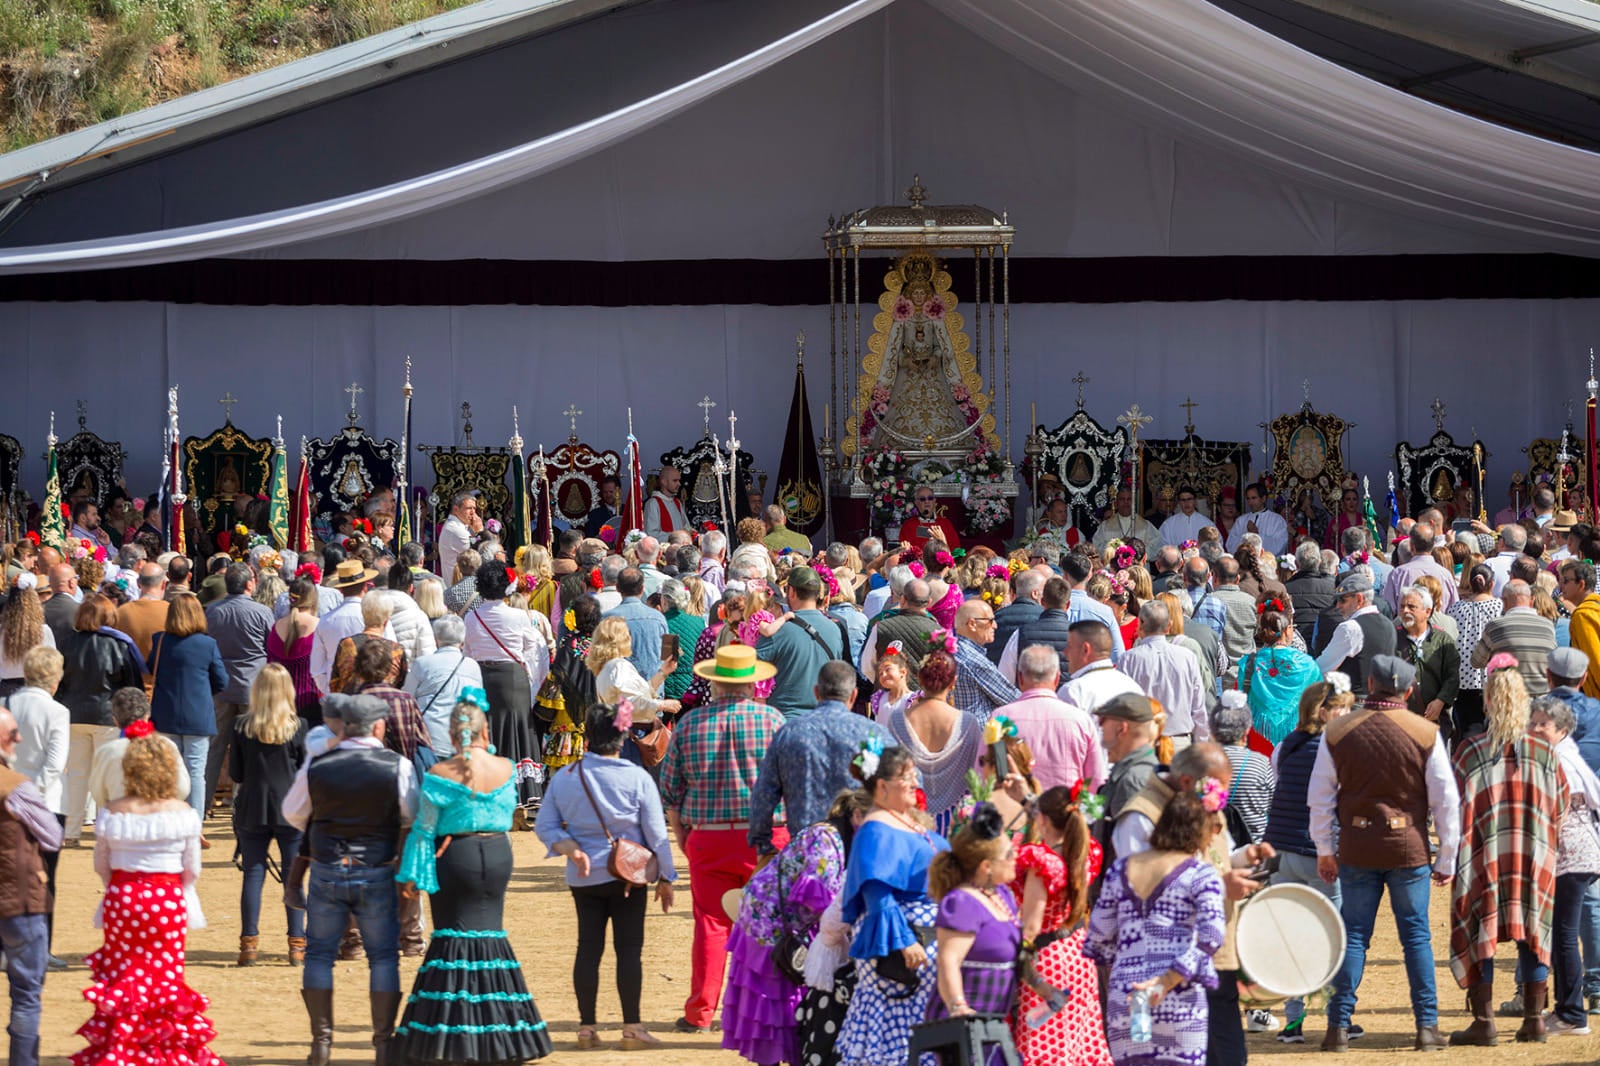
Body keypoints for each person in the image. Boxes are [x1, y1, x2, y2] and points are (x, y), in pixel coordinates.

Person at [393, 692, 554, 1063]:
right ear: (485, 733)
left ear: (452, 736)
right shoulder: (506, 768)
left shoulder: (439, 774)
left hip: (456, 856)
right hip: (497, 856)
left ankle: (449, 1036)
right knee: (491, 934)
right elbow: (507, 809)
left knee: (451, 937)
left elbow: (424, 829)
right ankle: (502, 1033)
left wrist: (412, 876)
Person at [1310, 654, 1460, 1051]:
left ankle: (1337, 1027)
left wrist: (1324, 849)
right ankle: (1426, 1026)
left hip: (1357, 845)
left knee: (1354, 935)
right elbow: (1446, 801)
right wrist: (1447, 856)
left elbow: (1320, 797)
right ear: (1409, 692)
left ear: (1371, 685)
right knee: (1416, 937)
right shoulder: (1425, 732)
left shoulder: (1338, 731)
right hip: (1408, 847)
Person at [283, 693, 417, 1066]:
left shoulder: (319, 764)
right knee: (383, 957)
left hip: (328, 866)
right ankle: (383, 1044)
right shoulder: (397, 765)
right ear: (378, 726)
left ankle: (321, 1043)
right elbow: (410, 813)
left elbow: (293, 813)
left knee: (319, 954)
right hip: (376, 867)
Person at [659, 644, 786, 1034]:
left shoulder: (689, 724)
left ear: (715, 684)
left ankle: (701, 1012)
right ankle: (765, 1010)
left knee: (711, 925)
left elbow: (671, 792)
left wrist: (684, 837)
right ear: (751, 684)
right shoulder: (772, 720)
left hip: (709, 837)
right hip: (768, 838)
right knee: (768, 924)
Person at [536, 700, 676, 1050]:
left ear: (587, 736)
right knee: (629, 950)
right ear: (622, 736)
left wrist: (571, 849)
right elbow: (656, 833)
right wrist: (667, 877)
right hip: (630, 874)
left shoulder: (566, 777)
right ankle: (631, 1027)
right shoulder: (637, 778)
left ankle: (587, 1027)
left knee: (588, 947)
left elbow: (545, 826)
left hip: (583, 875)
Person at [77, 726, 221, 1065]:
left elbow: (102, 864)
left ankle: (123, 1048)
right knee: (166, 976)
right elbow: (192, 868)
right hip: (167, 899)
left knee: (124, 973)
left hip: (124, 897)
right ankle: (164, 1048)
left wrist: (123, 886)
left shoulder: (112, 811)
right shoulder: (183, 814)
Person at [1447, 654, 1565, 1045]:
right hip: (1534, 856)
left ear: (1487, 701)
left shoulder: (1470, 750)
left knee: (1480, 925)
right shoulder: (1545, 752)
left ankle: (1484, 1023)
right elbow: (1561, 803)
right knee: (1534, 929)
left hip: (1486, 855)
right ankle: (1534, 1020)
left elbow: (1454, 805)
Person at [1084, 784, 1228, 1066]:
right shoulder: (1200, 875)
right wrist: (1165, 981)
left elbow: (1099, 934)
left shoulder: (1119, 870)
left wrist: (1126, 964)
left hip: (1128, 994)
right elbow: (1211, 936)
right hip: (1178, 995)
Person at [722, 789, 862, 1065]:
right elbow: (817, 896)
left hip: (782, 921)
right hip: (769, 925)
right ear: (857, 815)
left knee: (789, 1002)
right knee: (773, 1006)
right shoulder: (827, 840)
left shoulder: (837, 837)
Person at [836, 745, 950, 1066]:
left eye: (913, 774)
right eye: (906, 776)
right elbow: (876, 891)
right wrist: (904, 940)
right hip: (897, 945)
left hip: (924, 934)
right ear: (883, 786)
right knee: (895, 1039)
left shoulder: (904, 821)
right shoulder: (875, 828)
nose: (915, 782)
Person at [1260, 677, 1355, 1044]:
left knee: (1292, 937)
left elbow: (1281, 786)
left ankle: (1293, 1021)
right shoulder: (1338, 749)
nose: (1347, 714)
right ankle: (1337, 1017)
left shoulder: (1285, 745)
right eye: (1342, 708)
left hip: (1281, 849)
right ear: (1324, 712)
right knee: (1335, 937)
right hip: (1320, 852)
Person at [1009, 784, 1111, 1066]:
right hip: (1078, 956)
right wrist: (1029, 801)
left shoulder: (1043, 863)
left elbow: (1030, 928)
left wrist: (1020, 966)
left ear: (1042, 820)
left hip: (1048, 961)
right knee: (1081, 1045)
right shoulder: (1084, 853)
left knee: (1044, 1045)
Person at [749, 661, 890, 857]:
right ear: (853, 695)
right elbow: (909, 780)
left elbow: (764, 793)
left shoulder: (790, 733)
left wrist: (762, 841)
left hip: (807, 854)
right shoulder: (875, 735)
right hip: (860, 853)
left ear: (816, 692)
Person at [1528, 696, 1600, 1037]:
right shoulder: (1563, 754)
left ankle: (1572, 1014)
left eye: (1544, 724)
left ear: (1563, 730)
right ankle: (1567, 1009)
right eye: (1533, 722)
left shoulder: (1560, 760)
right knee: (1562, 934)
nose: (1535, 728)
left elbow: (1557, 810)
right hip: (1576, 855)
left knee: (1564, 935)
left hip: (1571, 856)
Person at [229, 662, 308, 967]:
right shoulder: (298, 726)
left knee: (253, 873)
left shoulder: (241, 726)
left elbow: (236, 773)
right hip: (290, 808)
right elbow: (304, 771)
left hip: (252, 806)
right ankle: (297, 944)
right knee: (293, 878)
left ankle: (248, 944)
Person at [924, 803, 1022, 1031]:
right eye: (1009, 854)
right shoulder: (962, 902)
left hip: (994, 1023)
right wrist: (958, 1006)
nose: (1016, 856)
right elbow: (948, 960)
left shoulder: (1002, 895)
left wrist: (1042, 987)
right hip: (963, 1028)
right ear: (986, 866)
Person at [0, 704, 60, 1066]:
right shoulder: (17, 787)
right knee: (25, 993)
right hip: (18, 899)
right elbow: (52, 836)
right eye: (12, 734)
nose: (19, 739)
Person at [58, 594, 144, 845]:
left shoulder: (67, 642)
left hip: (74, 715)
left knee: (76, 776)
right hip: (108, 717)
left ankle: (71, 831)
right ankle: (108, 829)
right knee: (110, 775)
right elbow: (132, 685)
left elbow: (60, 682)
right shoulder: (120, 644)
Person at [463, 564, 548, 813]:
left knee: (488, 729)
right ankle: (523, 791)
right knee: (518, 728)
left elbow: (468, 651)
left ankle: (489, 787)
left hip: (483, 677)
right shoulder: (518, 616)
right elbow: (533, 649)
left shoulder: (471, 617)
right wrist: (533, 679)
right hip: (513, 677)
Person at [884, 645, 982, 833]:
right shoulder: (968, 723)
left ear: (919, 679)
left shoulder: (896, 721)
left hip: (910, 819)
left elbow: (891, 771)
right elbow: (976, 775)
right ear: (953, 682)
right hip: (956, 822)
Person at [202, 561, 274, 815]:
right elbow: (271, 646)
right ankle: (243, 804)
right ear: (249, 585)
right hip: (251, 686)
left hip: (221, 686)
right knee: (251, 746)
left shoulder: (212, 611)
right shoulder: (262, 612)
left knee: (215, 746)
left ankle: (203, 801)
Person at [147, 592, 227, 819]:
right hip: (198, 715)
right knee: (196, 772)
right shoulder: (207, 644)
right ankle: (195, 822)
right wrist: (203, 693)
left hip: (165, 714)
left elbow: (151, 668)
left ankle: (170, 818)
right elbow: (222, 680)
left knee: (169, 770)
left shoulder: (160, 640)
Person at [995, 644, 1106, 793]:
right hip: (1066, 805)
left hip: (1014, 804)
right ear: (1057, 678)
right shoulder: (1080, 720)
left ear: (1020, 678)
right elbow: (1096, 781)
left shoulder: (1000, 719)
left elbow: (985, 778)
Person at [755, 566, 846, 720]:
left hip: (783, 721)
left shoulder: (777, 630)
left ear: (791, 592)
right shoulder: (834, 629)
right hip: (823, 719)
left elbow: (752, 671)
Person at [1118, 600, 1208, 748]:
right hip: (1178, 742)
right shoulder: (1187, 657)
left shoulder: (1129, 659)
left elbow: (1122, 705)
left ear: (1140, 624)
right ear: (1169, 626)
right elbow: (1198, 707)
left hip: (1143, 743)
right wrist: (1201, 744)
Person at [1237, 606, 1320, 746]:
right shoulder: (1307, 664)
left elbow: (1238, 700)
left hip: (1258, 739)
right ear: (1287, 630)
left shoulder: (1248, 663)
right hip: (1295, 742)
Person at [402, 615, 483, 757]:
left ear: (436, 638)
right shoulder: (473, 666)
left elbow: (407, 698)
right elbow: (479, 703)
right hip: (463, 738)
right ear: (462, 640)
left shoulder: (422, 664)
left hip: (430, 737)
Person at [1470, 580, 1557, 699]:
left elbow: (1476, 661)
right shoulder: (1548, 626)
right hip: (1542, 698)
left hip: (1508, 699)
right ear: (1531, 600)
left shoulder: (1496, 626)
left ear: (1504, 601)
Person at [1315, 569, 1396, 695]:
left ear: (1359, 599)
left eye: (1342, 600)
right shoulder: (1389, 624)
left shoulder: (1350, 628)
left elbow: (1322, 667)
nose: (1338, 606)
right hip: (1383, 700)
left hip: (1355, 701)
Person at [1449, 563, 1504, 738]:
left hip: (1464, 679)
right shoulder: (1500, 607)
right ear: (1492, 584)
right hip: (1492, 678)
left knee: (1469, 730)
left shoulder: (1455, 608)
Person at [1212, 694, 1274, 844]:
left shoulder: (1201, 762)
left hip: (1213, 847)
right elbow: (1274, 806)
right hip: (1253, 847)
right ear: (1246, 730)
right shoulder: (1261, 764)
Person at [1395, 585, 1459, 730]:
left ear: (1427, 611)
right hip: (1401, 721)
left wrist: (1440, 701)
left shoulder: (1443, 641)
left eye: (1411, 607)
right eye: (1402, 606)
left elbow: (1452, 677)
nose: (1405, 611)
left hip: (1434, 720)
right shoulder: (1391, 638)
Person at [268, 576, 323, 724]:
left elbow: (269, 665)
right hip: (310, 704)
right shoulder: (319, 627)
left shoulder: (276, 627)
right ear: (314, 599)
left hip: (280, 705)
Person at [1057, 620, 1141, 715]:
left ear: (1085, 649)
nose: (1065, 652)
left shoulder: (1073, 691)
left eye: (1069, 646)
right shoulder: (1133, 687)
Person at [330, 593, 407, 694]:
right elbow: (401, 685)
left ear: (363, 614)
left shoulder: (347, 644)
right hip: (385, 701)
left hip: (348, 701)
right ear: (386, 621)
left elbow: (334, 682)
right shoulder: (397, 650)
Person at [0, 575, 53, 700]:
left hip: (6, 689)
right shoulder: (44, 631)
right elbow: (51, 662)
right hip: (34, 689)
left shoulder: (2, 631)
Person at [1561, 559, 1600, 697]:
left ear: (1581, 584)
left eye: (1566, 581)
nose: (1561, 586)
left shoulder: (1583, 615)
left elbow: (1595, 660)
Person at [437, 491, 478, 584]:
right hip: (458, 586)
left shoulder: (462, 526)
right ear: (456, 509)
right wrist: (479, 531)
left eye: (474, 508)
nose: (473, 513)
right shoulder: (455, 529)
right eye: (469, 508)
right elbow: (479, 552)